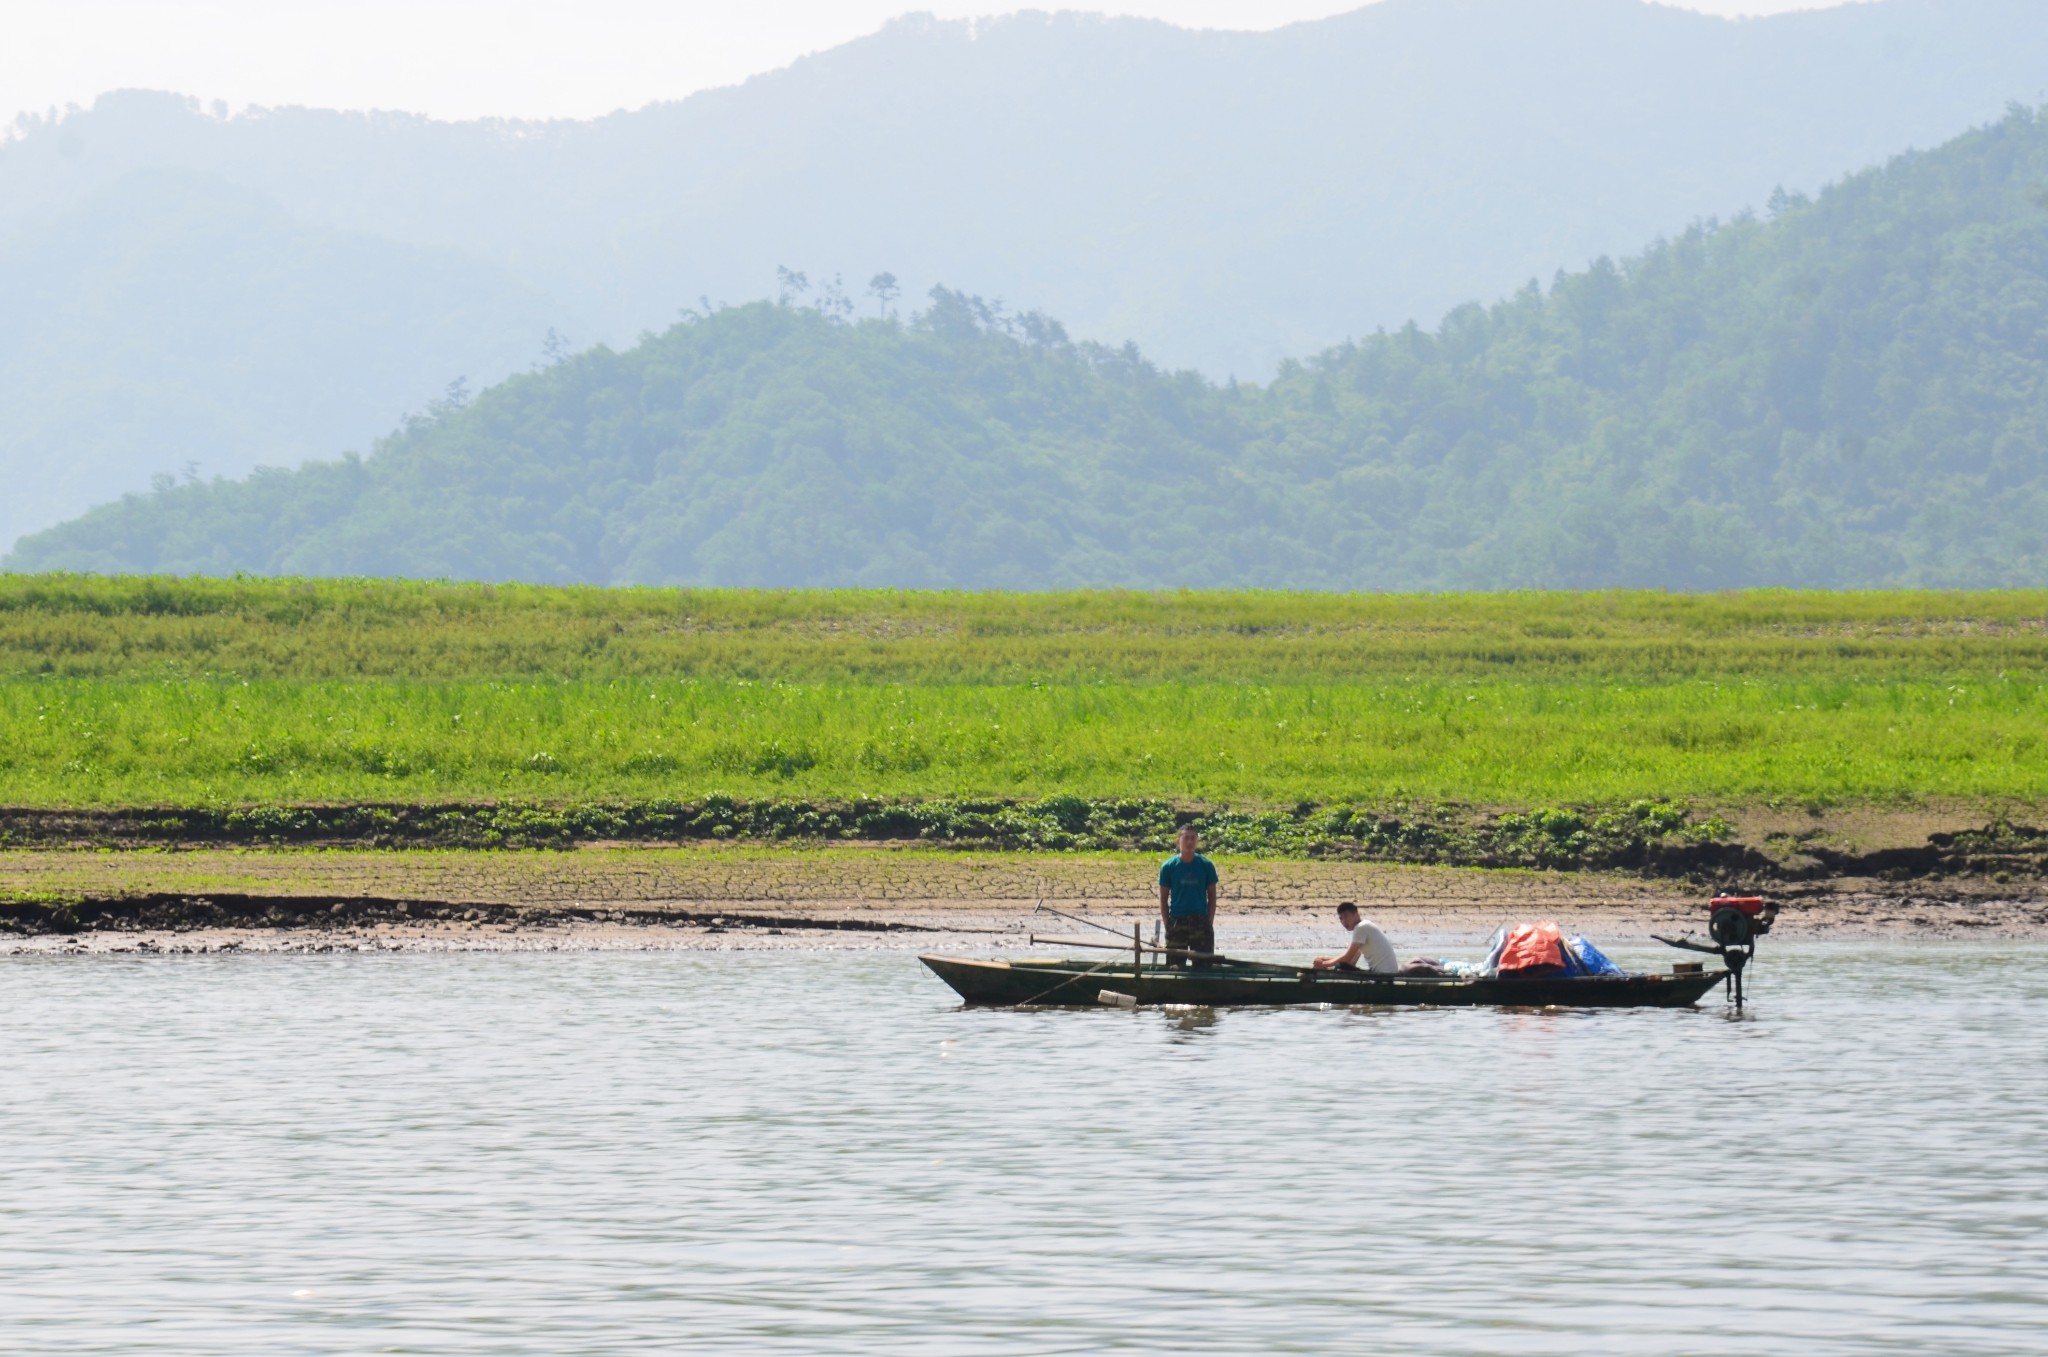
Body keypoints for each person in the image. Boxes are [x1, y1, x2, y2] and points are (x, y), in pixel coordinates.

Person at [1157, 825, 1219, 967]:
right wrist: (1168, 924)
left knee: (1204, 967)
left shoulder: (1206, 865)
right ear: (1178, 840)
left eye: (1193, 838)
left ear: (1197, 841)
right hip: (1177, 922)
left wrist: (1208, 922)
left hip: (1200, 922)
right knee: (1175, 967)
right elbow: (1163, 899)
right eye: (1186, 838)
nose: (1189, 842)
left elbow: (1212, 897)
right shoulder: (1168, 867)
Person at [1312, 901, 1399, 973]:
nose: (1344, 921)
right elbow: (1352, 960)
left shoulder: (1361, 928)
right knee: (1337, 965)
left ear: (1356, 915)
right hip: (1385, 975)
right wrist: (1324, 960)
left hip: (1382, 977)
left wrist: (1324, 964)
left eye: (1346, 916)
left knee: (1338, 967)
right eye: (1341, 918)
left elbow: (1347, 958)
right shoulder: (1364, 926)